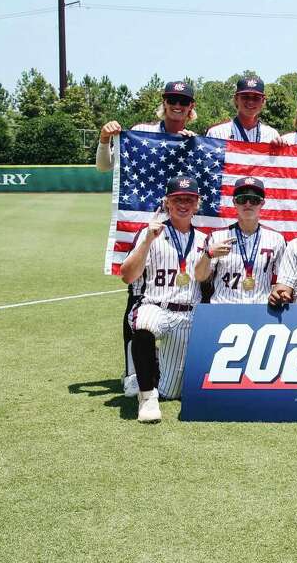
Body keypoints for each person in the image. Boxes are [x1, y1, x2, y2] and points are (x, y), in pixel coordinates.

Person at [95, 79, 198, 398]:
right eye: (172, 99)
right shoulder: (141, 131)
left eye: (183, 101)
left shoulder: (194, 140)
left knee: (183, 298)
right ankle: (132, 372)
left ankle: (169, 366)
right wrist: (104, 140)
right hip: (148, 232)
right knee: (137, 300)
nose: (177, 105)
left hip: (181, 233)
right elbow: (104, 167)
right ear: (164, 101)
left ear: (191, 107)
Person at [118, 175, 209, 423]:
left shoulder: (204, 240)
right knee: (145, 325)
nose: (183, 204)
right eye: (177, 199)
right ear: (167, 202)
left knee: (171, 392)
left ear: (197, 204)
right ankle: (146, 397)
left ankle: (148, 364)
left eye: (189, 199)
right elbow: (127, 276)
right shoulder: (149, 233)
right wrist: (148, 239)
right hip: (155, 305)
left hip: (187, 314)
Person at [193, 176, 286, 304]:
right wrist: (208, 255)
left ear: (262, 203)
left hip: (261, 309)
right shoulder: (217, 237)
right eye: (242, 199)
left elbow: (284, 279)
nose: (248, 204)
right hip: (223, 308)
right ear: (234, 202)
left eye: (254, 200)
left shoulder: (276, 239)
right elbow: (199, 277)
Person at [205, 76, 281, 142]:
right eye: (245, 96)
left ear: (263, 101)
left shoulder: (272, 135)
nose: (250, 102)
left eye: (256, 98)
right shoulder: (216, 134)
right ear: (236, 99)